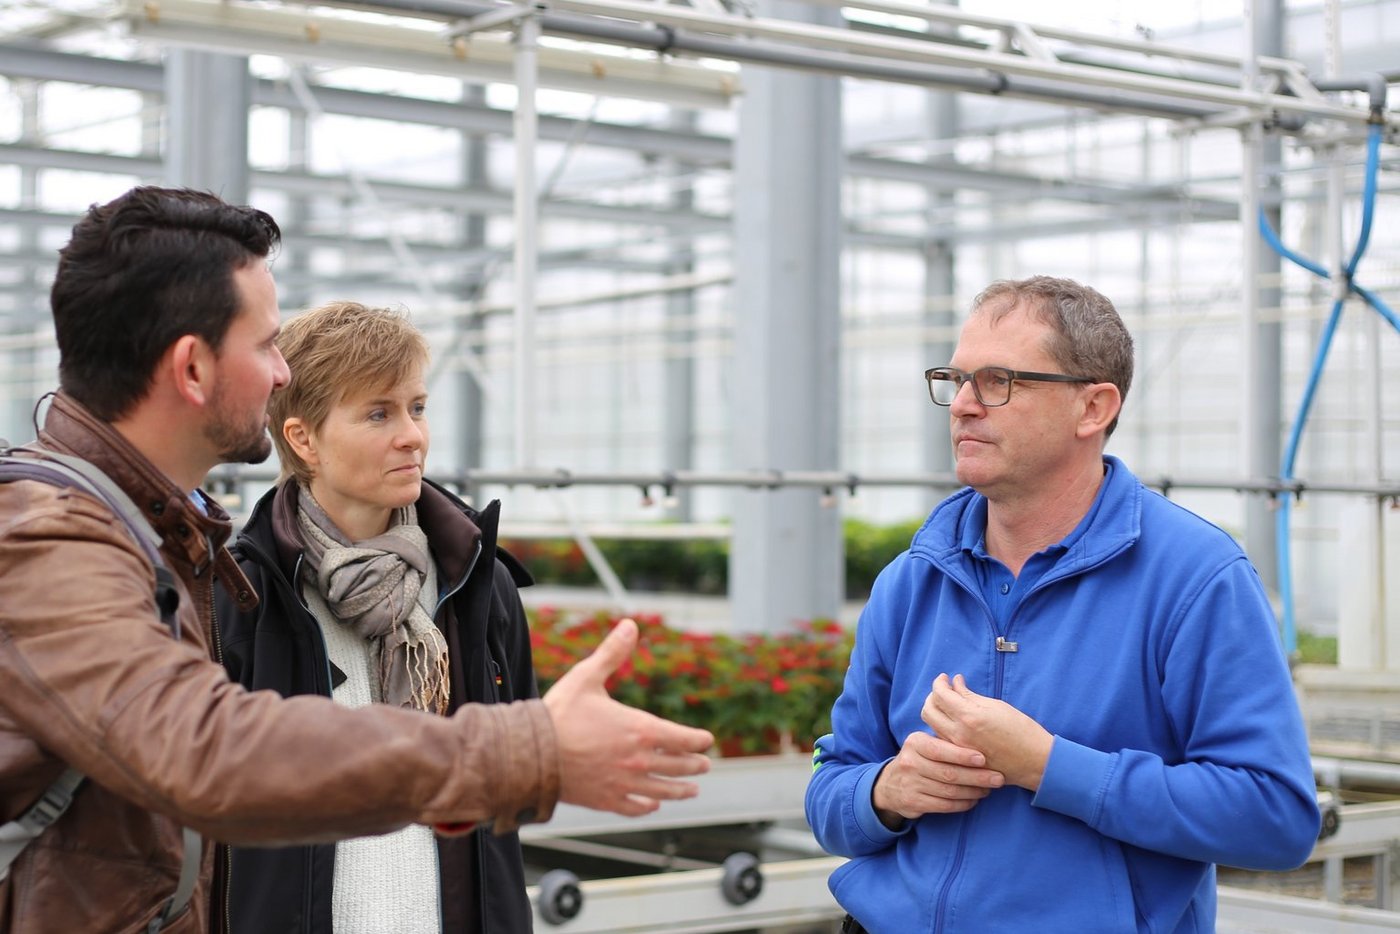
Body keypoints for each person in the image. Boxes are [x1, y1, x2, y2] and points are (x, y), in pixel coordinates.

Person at [0, 186, 713, 934]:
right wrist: (524, 751)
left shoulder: (161, 539)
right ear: (193, 368)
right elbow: (206, 748)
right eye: (265, 345)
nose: (281, 373)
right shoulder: (52, 541)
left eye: (416, 407)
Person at [805, 276, 1320, 933]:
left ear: (1093, 408)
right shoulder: (912, 580)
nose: (962, 405)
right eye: (955, 380)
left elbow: (1275, 817)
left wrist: (1050, 767)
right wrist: (885, 792)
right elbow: (829, 786)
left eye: (998, 381)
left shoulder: (1196, 577)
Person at [212, 300, 538, 934]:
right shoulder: (245, 595)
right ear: (303, 439)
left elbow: (510, 794)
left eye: (417, 407)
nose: (412, 435)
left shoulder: (478, 583)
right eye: (378, 414)